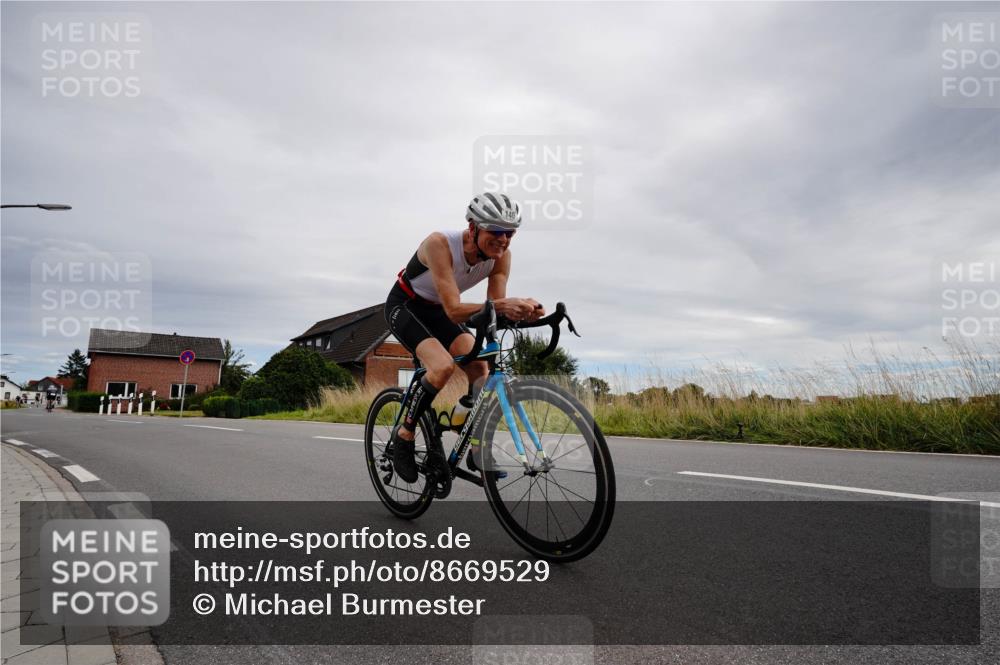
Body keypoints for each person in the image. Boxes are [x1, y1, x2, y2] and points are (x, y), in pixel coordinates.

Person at [384, 192, 545, 483]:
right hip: (407, 306)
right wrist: (504, 305)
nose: (503, 239)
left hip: (440, 312)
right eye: (495, 231)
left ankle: (474, 446)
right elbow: (455, 310)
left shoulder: (501, 257)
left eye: (510, 232)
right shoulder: (440, 244)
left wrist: (524, 311)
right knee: (442, 366)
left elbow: (495, 308)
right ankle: (404, 435)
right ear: (473, 228)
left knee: (480, 367)